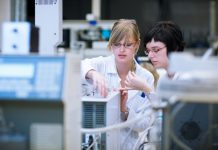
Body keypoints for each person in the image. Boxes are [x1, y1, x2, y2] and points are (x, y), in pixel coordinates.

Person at [81, 19, 155, 150]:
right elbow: (80, 65)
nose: (121, 49)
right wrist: (93, 74)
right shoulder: (101, 65)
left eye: (127, 45)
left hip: (130, 146)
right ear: (111, 45)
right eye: (116, 44)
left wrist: (124, 110)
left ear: (137, 45)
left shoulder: (145, 77)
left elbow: (144, 124)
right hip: (97, 144)